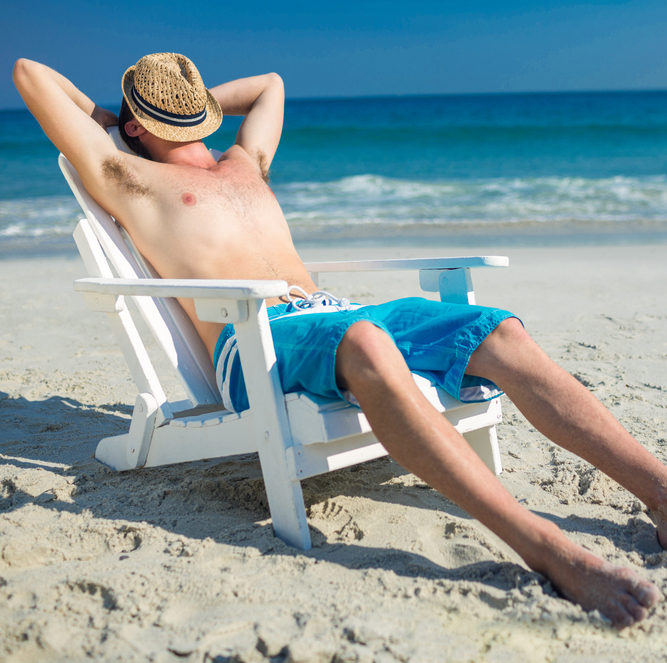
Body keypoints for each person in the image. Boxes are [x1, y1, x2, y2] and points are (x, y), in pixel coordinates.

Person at [13, 53, 667, 629]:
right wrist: (110, 118)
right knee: (362, 337)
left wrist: (157, 107)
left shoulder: (245, 162)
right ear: (135, 128)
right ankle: (546, 547)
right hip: (258, 338)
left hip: (338, 313)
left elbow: (270, 85)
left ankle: (659, 490)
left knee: (500, 331)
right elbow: (30, 75)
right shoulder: (129, 178)